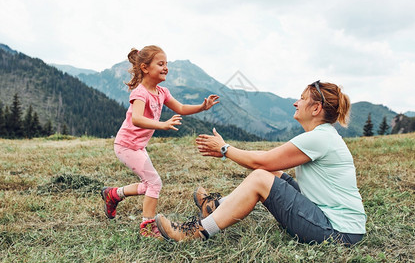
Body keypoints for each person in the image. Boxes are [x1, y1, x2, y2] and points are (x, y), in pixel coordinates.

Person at [155, 80, 367, 245]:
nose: (296, 102)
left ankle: (198, 231)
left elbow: (261, 161)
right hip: (337, 223)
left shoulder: (320, 138)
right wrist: (227, 150)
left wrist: (224, 149)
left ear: (316, 109)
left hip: (339, 232)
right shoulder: (324, 135)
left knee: (260, 178)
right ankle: (214, 207)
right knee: (271, 174)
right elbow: (270, 161)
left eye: (302, 99)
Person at [101, 45, 220, 238]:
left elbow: (180, 107)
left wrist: (202, 107)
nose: (166, 68)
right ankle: (147, 228)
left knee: (149, 184)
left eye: (167, 64)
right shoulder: (140, 93)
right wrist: (162, 125)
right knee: (155, 183)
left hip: (137, 147)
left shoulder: (162, 92)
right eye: (161, 64)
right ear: (145, 68)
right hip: (126, 146)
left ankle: (113, 194)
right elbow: (136, 119)